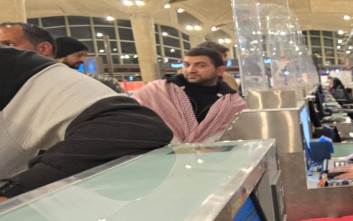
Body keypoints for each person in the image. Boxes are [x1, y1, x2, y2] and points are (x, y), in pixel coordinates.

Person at [0, 46, 172, 202]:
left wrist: (14, 190)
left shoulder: (22, 70)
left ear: (44, 48)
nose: (82, 59)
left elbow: (133, 125)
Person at [132, 44, 245, 143]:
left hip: (215, 158)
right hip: (161, 156)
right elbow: (132, 117)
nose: (191, 70)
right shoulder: (156, 91)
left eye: (201, 65)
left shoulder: (233, 103)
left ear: (220, 70)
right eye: (186, 65)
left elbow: (239, 138)